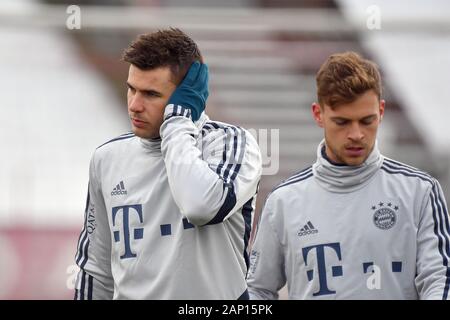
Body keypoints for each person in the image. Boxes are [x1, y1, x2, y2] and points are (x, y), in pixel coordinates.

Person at [74, 28, 262, 300]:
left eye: (150, 94)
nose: (135, 105)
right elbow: (95, 270)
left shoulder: (232, 144)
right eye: (131, 89)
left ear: (186, 96)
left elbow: (201, 206)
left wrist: (176, 122)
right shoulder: (107, 158)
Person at [247, 51, 450, 300]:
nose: (356, 134)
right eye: (342, 122)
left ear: (381, 111)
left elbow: (441, 279)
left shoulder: (420, 191)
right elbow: (257, 290)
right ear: (318, 114)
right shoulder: (282, 202)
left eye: (367, 121)